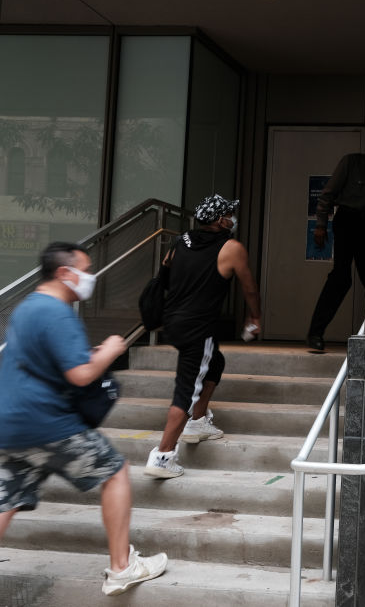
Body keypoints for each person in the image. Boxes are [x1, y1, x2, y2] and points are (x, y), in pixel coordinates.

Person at [0, 242, 168, 596]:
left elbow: (44, 361)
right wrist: (109, 350)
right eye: (86, 270)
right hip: (47, 423)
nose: (90, 278)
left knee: (7, 498)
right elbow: (80, 374)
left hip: (9, 425)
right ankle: (122, 567)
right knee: (115, 471)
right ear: (64, 273)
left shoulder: (25, 308)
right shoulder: (58, 313)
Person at [144, 194, 261, 478]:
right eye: (230, 213)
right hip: (198, 329)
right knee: (187, 389)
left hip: (174, 321)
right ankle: (163, 456)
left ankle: (198, 421)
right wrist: (255, 317)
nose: (233, 217)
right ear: (221, 220)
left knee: (215, 363)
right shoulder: (231, 248)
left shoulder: (179, 241)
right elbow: (249, 288)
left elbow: (166, 271)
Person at [306, 125, 365, 352]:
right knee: (341, 278)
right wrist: (320, 226)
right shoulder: (353, 162)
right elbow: (327, 195)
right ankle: (315, 333)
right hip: (347, 219)